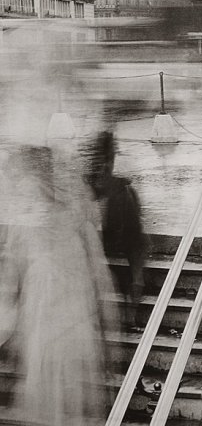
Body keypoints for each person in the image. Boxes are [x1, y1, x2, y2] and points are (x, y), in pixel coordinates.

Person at [0, 145, 116, 425]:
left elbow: (99, 275)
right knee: (58, 391)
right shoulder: (34, 224)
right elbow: (10, 280)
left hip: (64, 315)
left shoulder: (59, 219)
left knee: (61, 391)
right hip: (53, 315)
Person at [84, 131, 146, 332]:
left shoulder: (118, 188)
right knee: (137, 244)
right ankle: (132, 302)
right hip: (106, 238)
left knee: (137, 243)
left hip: (116, 236)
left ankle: (134, 292)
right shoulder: (97, 182)